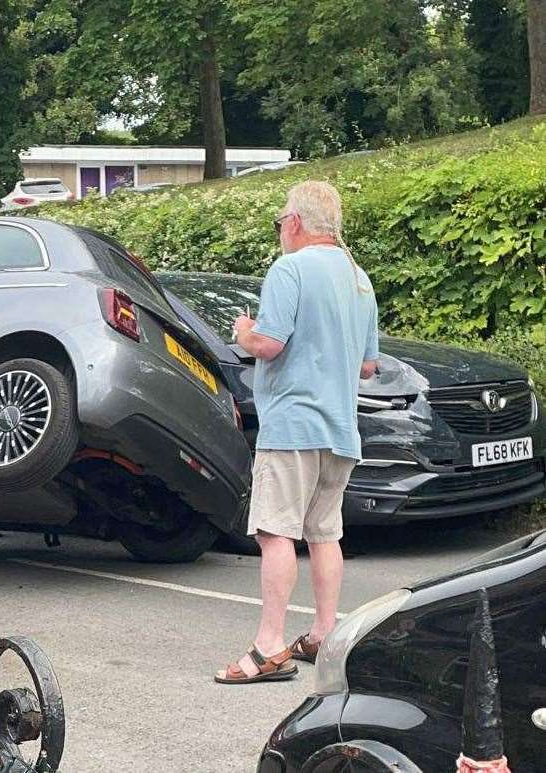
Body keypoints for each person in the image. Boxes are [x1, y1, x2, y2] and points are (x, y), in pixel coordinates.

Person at [215, 181, 379, 685]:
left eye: (280, 222)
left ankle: (268, 648)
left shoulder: (290, 269)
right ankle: (325, 634)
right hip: (340, 430)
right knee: (325, 533)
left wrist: (243, 330)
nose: (281, 231)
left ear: (295, 223)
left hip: (292, 427)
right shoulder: (359, 279)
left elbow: (266, 344)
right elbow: (369, 367)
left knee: (275, 532)